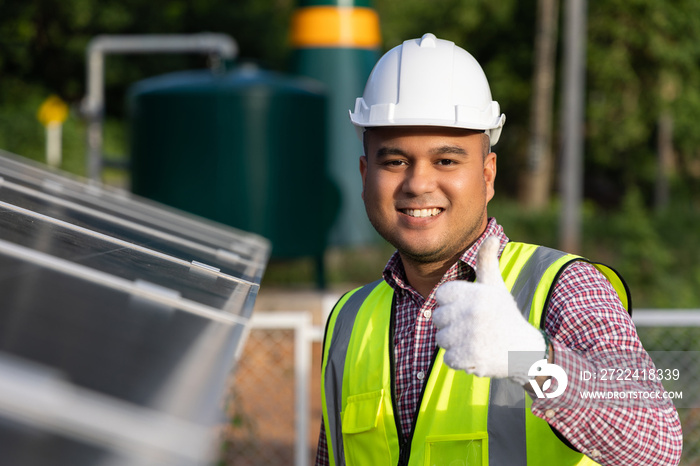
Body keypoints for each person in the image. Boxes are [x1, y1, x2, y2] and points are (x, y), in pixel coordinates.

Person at [316, 33, 682, 466]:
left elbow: (657, 443)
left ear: (487, 174)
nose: (417, 183)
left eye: (446, 161)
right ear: (364, 174)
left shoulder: (563, 288)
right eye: (394, 161)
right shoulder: (348, 319)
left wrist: (530, 360)